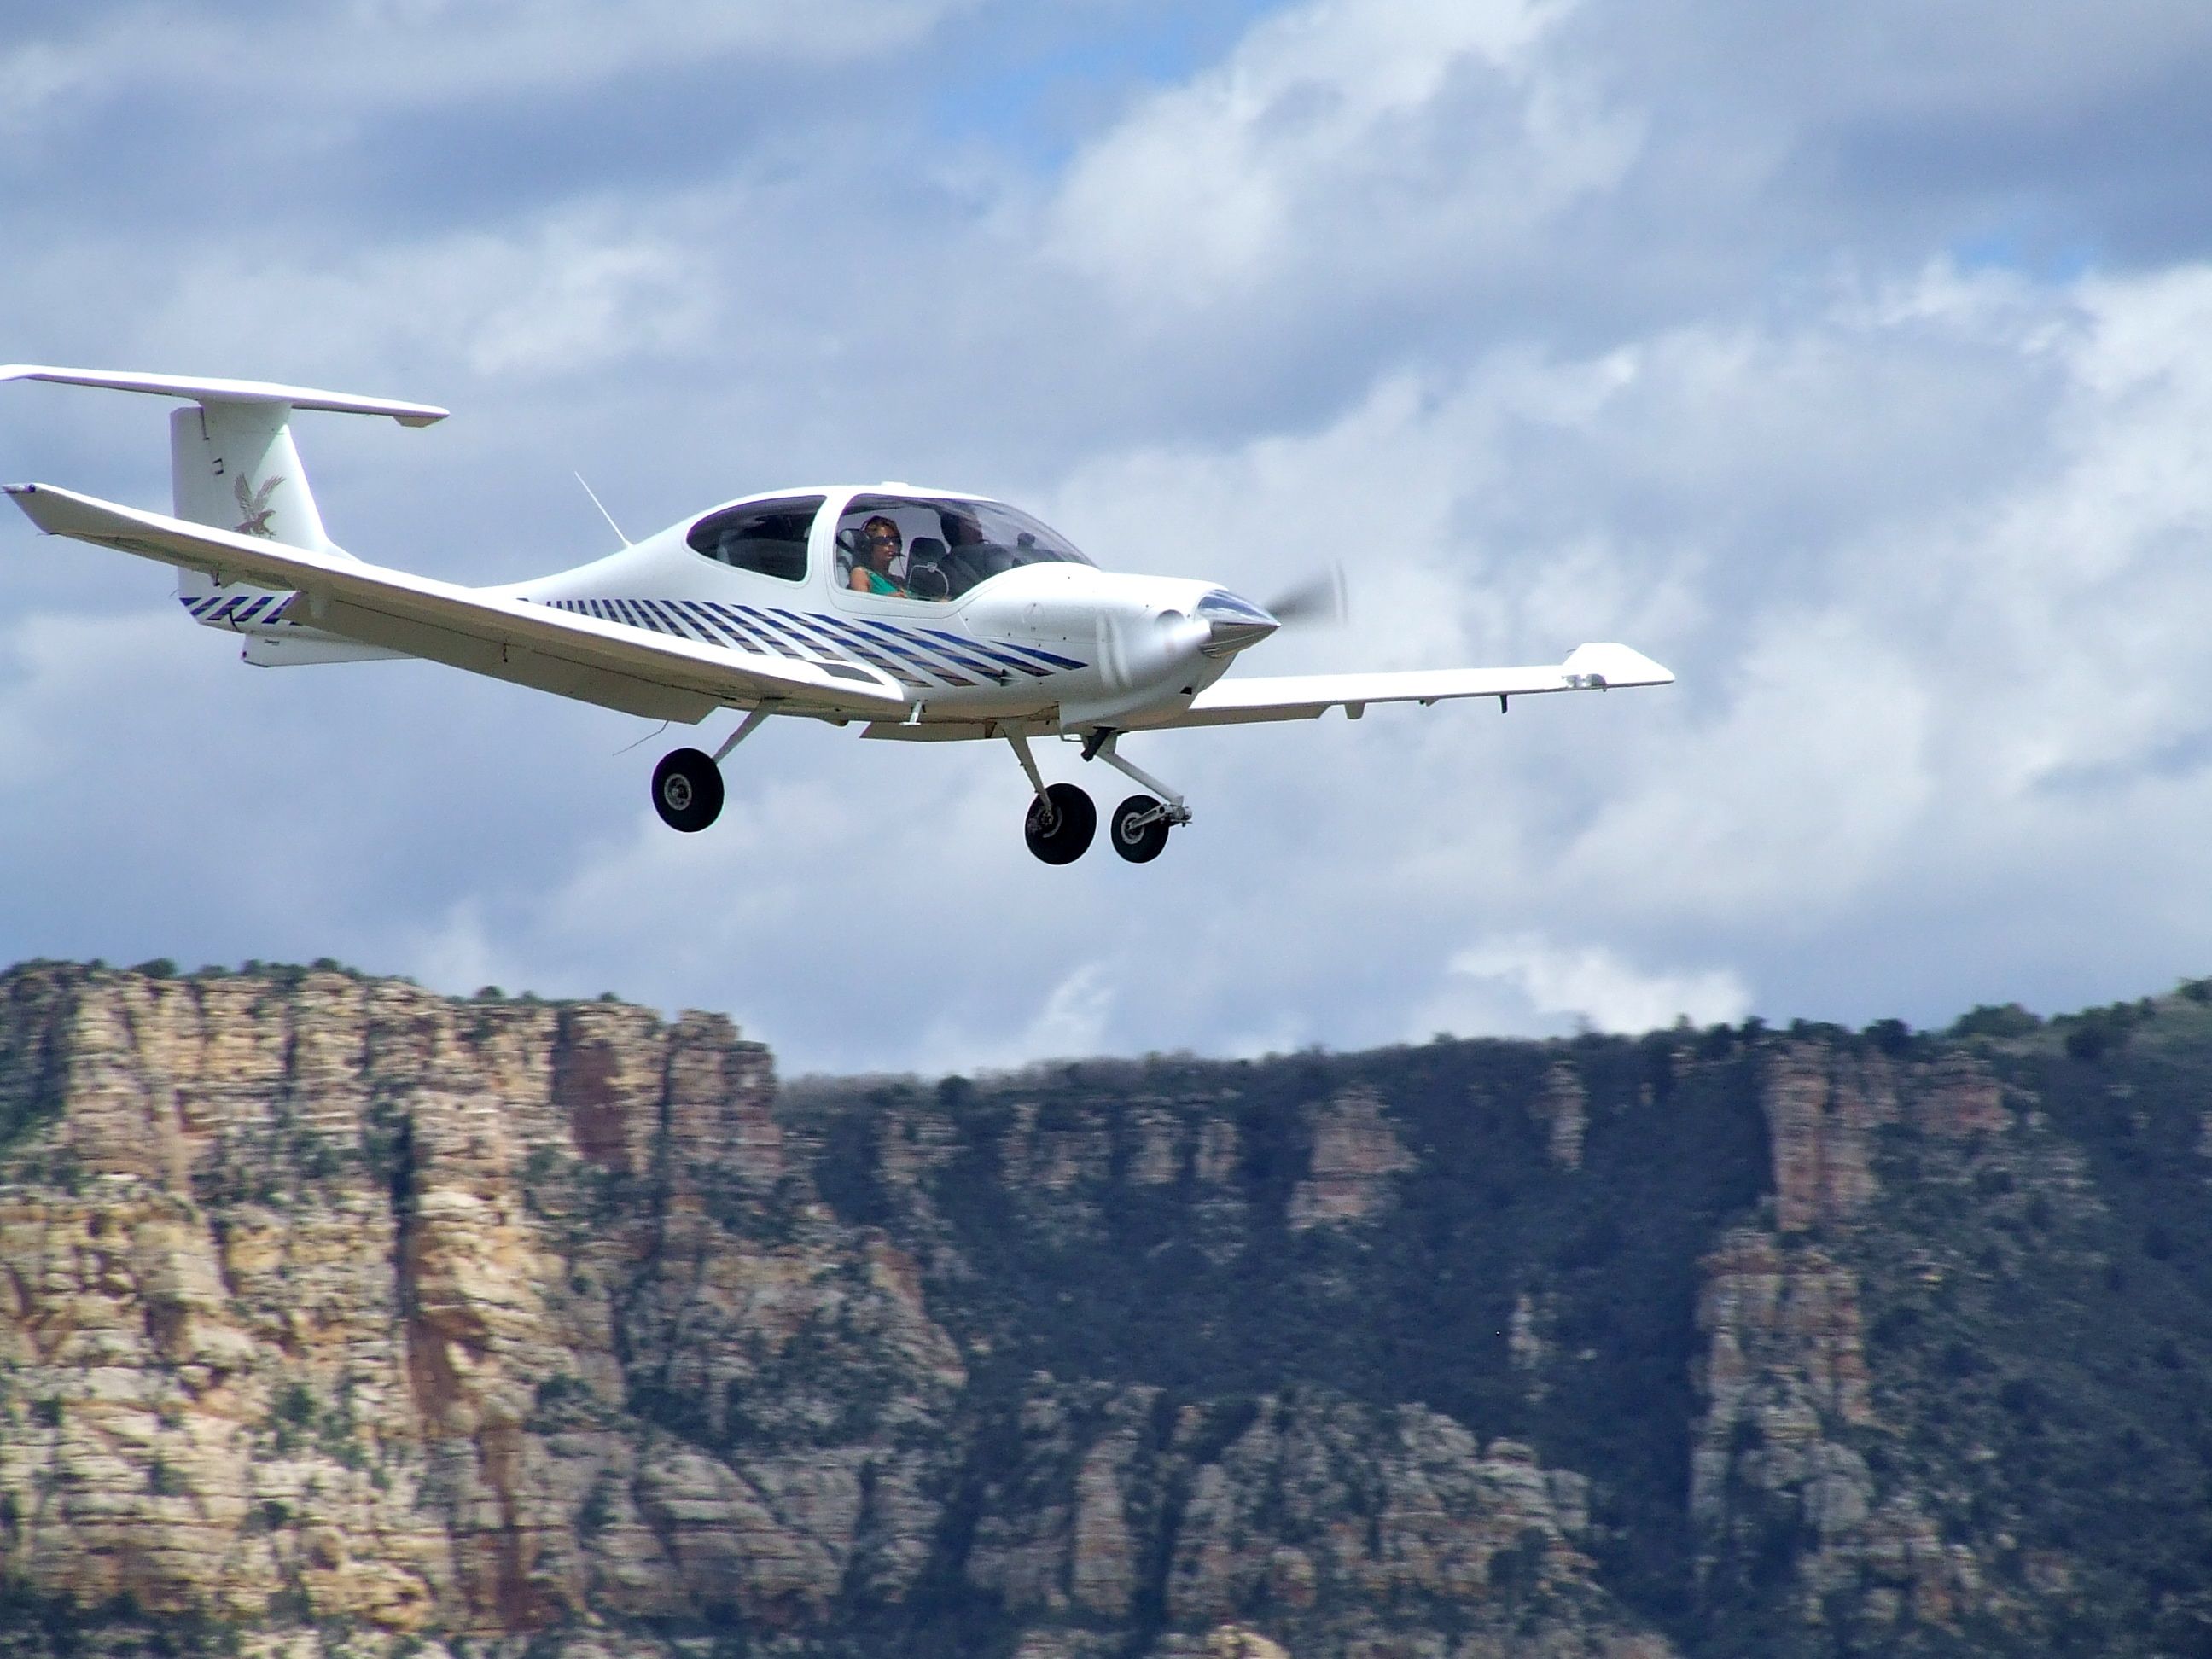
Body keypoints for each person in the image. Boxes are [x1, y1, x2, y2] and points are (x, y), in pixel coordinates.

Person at [849, 515, 907, 595]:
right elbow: (860, 605)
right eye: (883, 540)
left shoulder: (899, 581)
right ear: (869, 544)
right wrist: (889, 599)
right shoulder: (860, 574)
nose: (891, 544)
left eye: (895, 540)